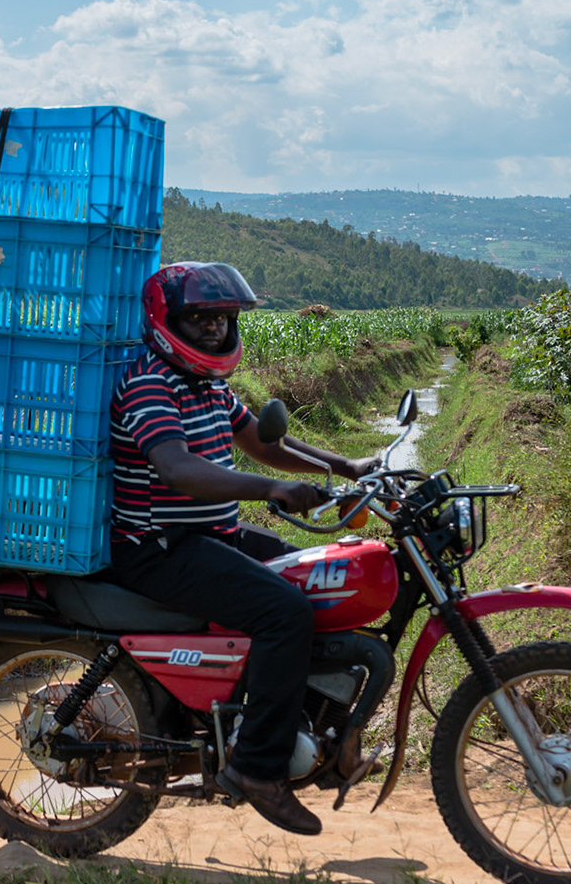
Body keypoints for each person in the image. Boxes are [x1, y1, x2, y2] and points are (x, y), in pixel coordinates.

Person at [107, 262, 376, 836]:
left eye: (222, 319)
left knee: (313, 577)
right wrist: (270, 489)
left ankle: (309, 729)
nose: (211, 329)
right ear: (168, 320)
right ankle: (257, 768)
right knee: (284, 611)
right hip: (158, 547)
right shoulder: (150, 380)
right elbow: (177, 469)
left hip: (209, 537)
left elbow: (261, 440)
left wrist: (342, 465)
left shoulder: (208, 385)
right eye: (199, 318)